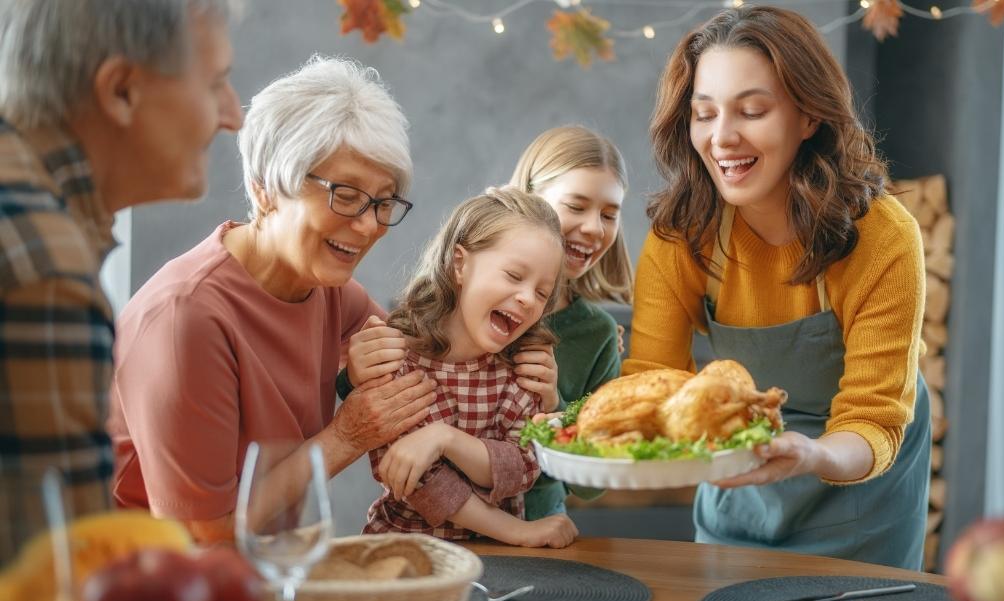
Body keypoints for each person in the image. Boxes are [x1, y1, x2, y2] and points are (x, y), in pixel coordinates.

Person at [626, 6, 931, 568]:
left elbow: (871, 419)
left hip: (860, 495)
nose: (722, 138)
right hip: (740, 486)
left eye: (752, 110)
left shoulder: (884, 238)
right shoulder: (683, 235)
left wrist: (809, 453)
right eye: (704, 113)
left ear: (809, 116)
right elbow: (651, 384)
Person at [107, 56, 438, 544]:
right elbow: (203, 537)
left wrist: (528, 362)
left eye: (383, 202)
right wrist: (345, 437)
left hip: (260, 565)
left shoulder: (331, 292)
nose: (369, 225)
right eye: (345, 195)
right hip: (139, 582)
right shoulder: (187, 318)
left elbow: (433, 371)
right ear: (265, 189)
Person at [0, 0, 243, 516]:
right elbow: (53, 574)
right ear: (121, 91)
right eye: (215, 83)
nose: (233, 115)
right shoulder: (44, 269)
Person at [360, 186, 578, 548]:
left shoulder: (523, 367)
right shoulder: (395, 359)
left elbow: (522, 465)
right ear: (459, 264)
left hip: (501, 559)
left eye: (542, 293)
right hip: (407, 552)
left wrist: (445, 440)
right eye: (513, 275)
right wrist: (519, 532)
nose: (527, 298)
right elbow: (421, 482)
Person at [507, 126, 633, 520]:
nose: (595, 228)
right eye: (576, 206)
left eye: (609, 214)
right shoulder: (462, 298)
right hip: (440, 524)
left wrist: (555, 405)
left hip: (540, 526)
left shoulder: (596, 335)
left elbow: (593, 486)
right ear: (528, 199)